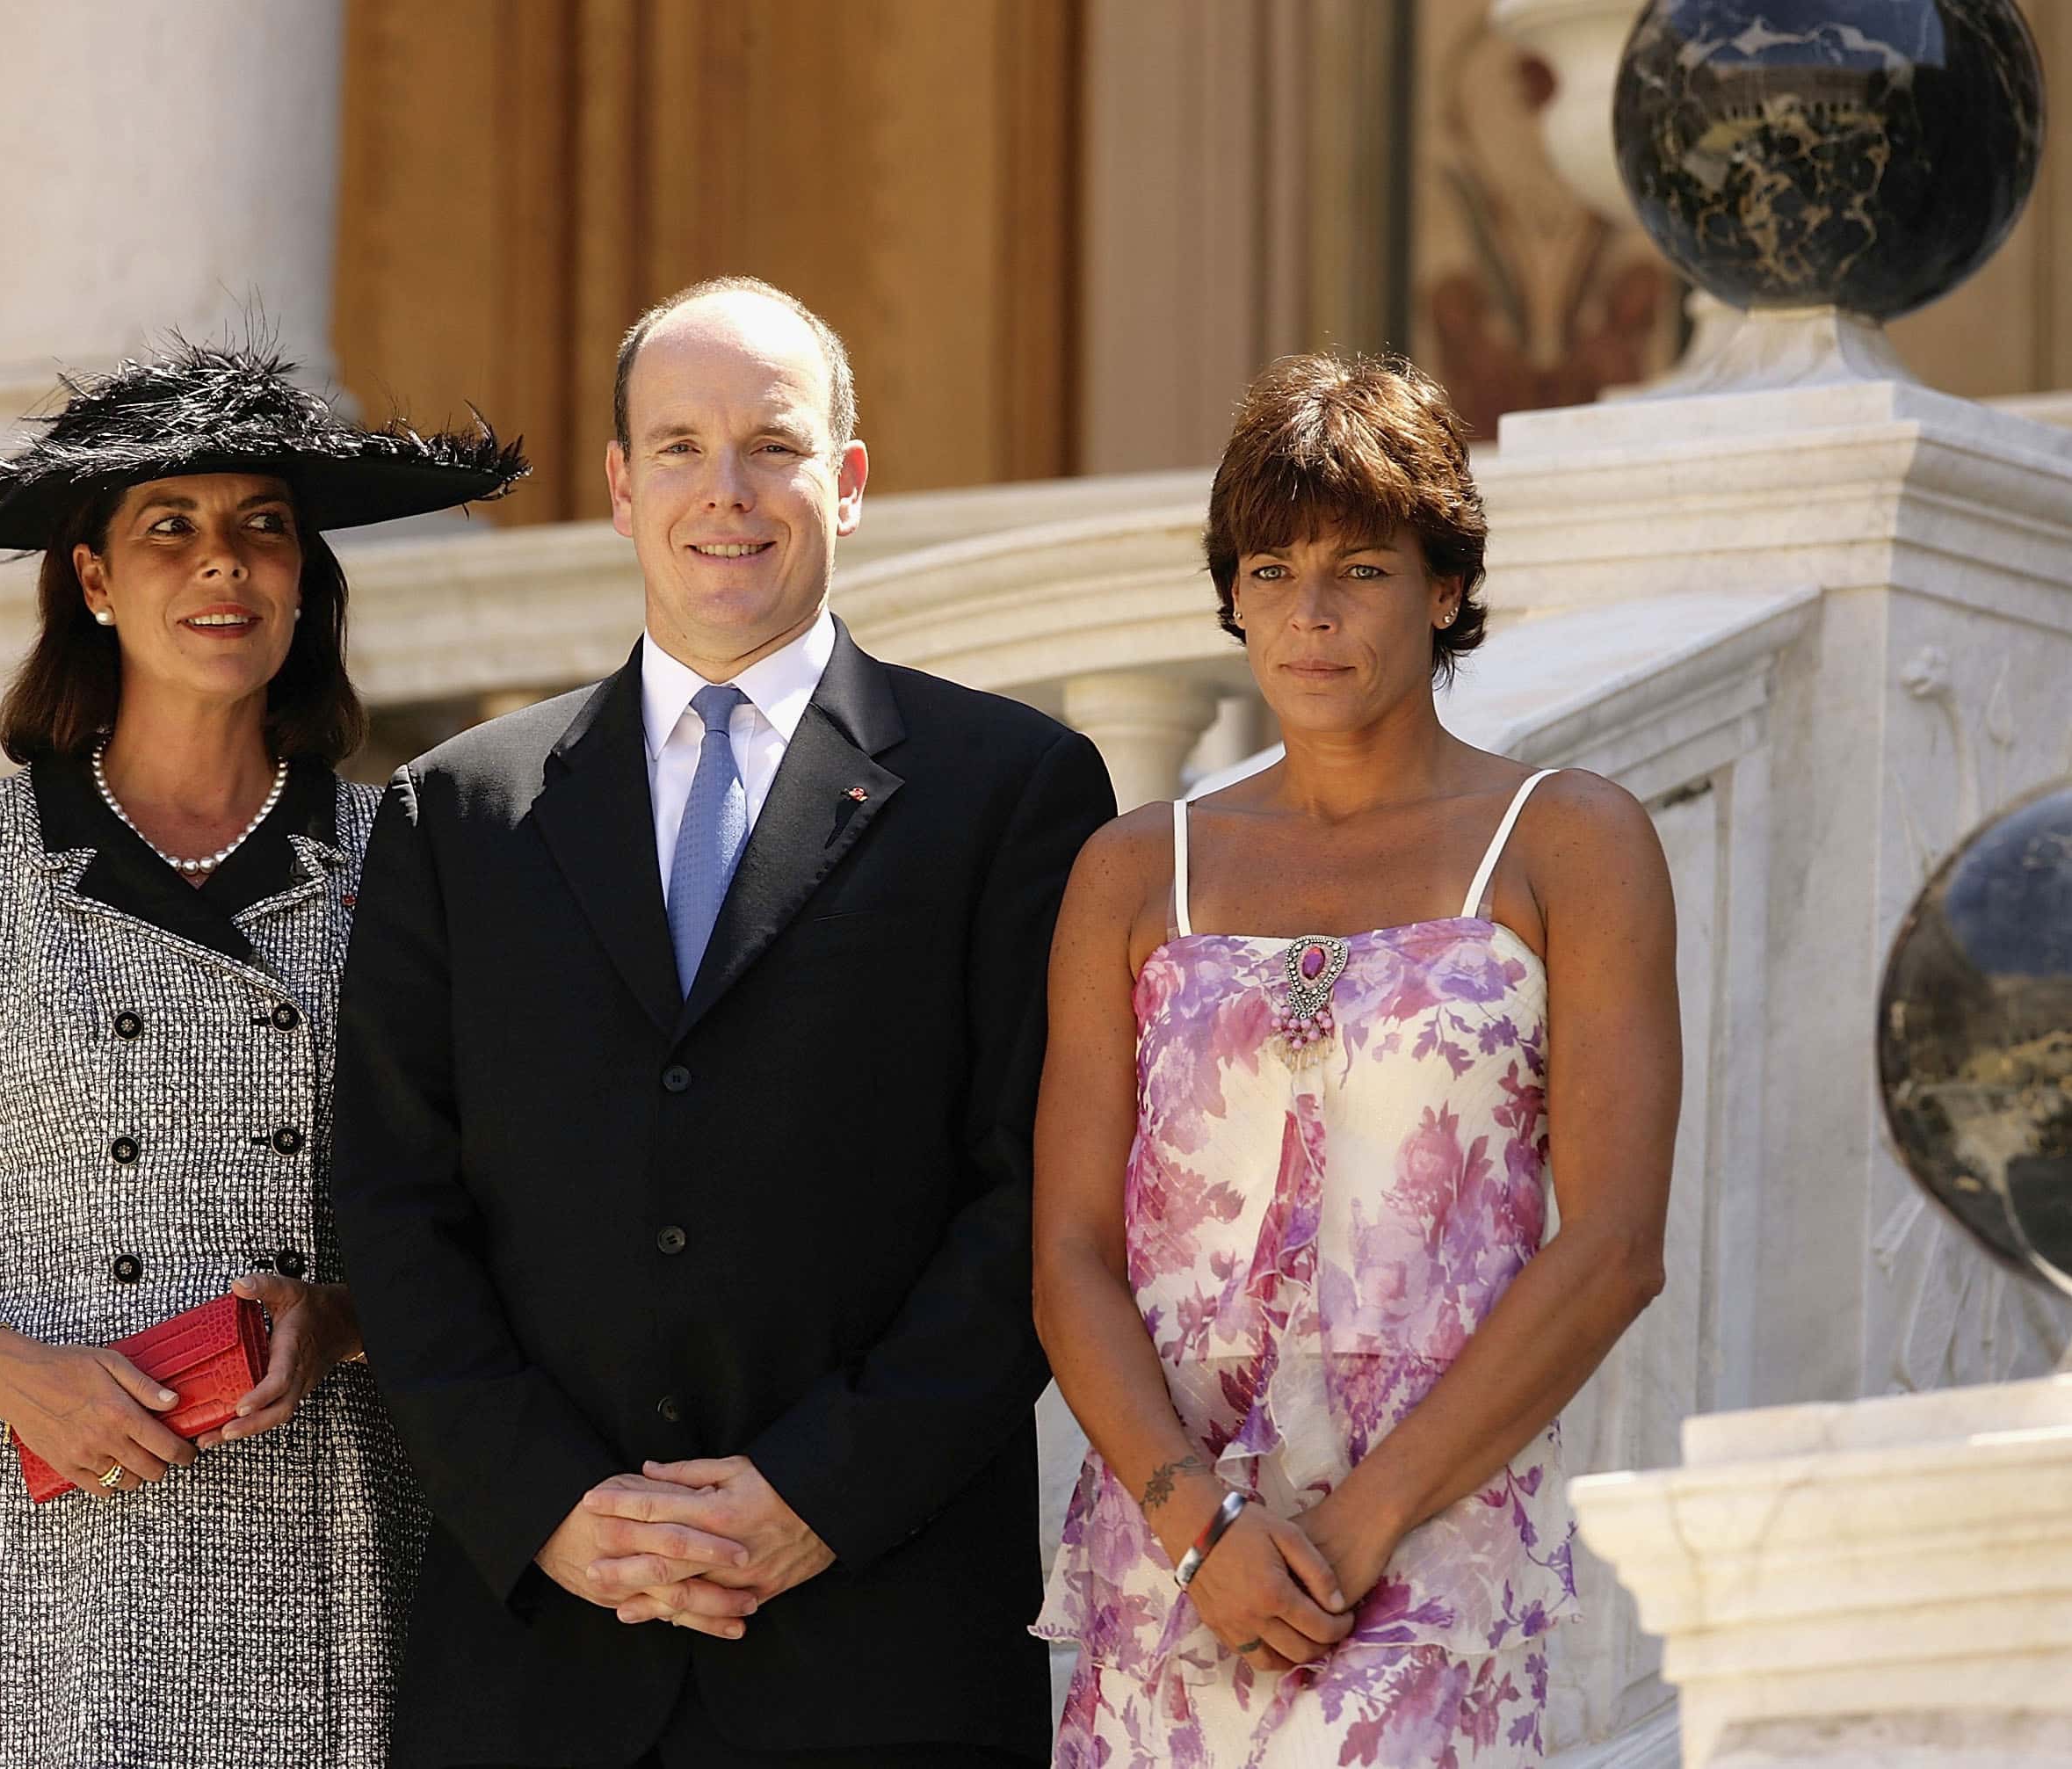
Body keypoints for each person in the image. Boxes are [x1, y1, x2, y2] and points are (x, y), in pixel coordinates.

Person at [330, 277, 1117, 1767]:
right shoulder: (461, 810)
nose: (728, 493)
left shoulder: (1011, 792)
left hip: (879, 1645)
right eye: (679, 448)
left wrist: (819, 1492)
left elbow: (1040, 1195)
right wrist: (552, 1507)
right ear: (623, 489)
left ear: (851, 481)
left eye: (774, 443)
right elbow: (388, 1199)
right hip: (540, 1662)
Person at [0, 337, 525, 1769]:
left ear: (304, 577)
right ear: (92, 579)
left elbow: (486, 1225)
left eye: (262, 526)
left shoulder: (409, 859)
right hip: (7, 1583)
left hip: (306, 1547)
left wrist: (340, 1319)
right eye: (171, 528)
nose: (224, 566)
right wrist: (17, 1375)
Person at [1031, 352, 1679, 1765]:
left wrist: (1358, 1528)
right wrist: (1201, 1530)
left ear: (1443, 586)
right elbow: (1067, 1253)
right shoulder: (1138, 871)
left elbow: (1617, 1245)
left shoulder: (1571, 843)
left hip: (1430, 1556)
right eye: (1270, 569)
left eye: (1359, 569)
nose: (1310, 615)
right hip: (1177, 1566)